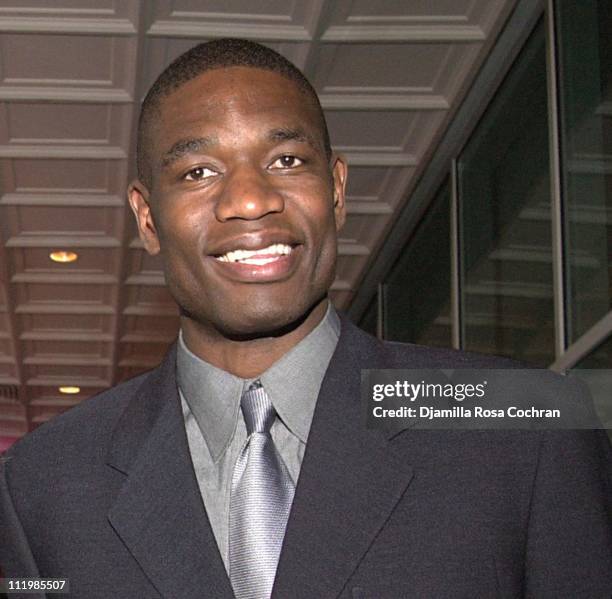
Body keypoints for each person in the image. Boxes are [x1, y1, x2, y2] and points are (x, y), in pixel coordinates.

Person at [1, 38, 611, 599]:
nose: (250, 199)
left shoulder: (522, 424)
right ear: (148, 218)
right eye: (198, 172)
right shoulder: (44, 483)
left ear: (338, 191)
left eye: (287, 160)